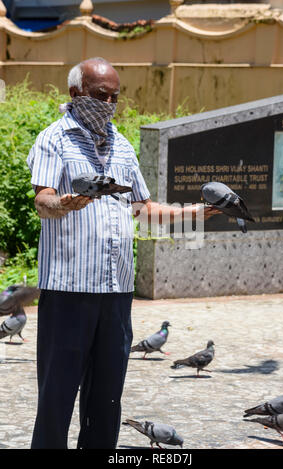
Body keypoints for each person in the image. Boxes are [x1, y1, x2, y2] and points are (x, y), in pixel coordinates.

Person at [27, 57, 219, 449]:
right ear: (75, 94)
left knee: (107, 400)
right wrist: (65, 203)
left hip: (116, 293)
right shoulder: (54, 138)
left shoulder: (123, 146)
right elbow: (42, 200)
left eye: (115, 96)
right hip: (69, 291)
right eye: (101, 95)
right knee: (57, 398)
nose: (109, 103)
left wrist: (198, 212)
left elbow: (143, 209)